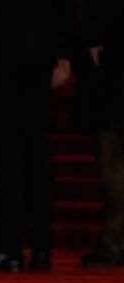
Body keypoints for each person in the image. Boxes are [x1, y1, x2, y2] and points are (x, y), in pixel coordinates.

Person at [0, 0, 75, 272]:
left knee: (12, 155)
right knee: (29, 153)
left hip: (6, 54)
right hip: (20, 53)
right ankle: (37, 246)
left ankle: (13, 247)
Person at [77, 0, 124, 267]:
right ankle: (114, 240)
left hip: (111, 75)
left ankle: (112, 241)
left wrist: (94, 39)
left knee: (113, 164)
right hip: (110, 73)